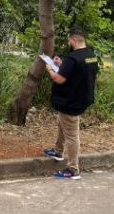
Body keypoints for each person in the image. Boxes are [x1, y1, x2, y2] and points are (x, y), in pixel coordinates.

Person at [42, 27, 99, 180]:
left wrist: (49, 69)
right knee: (63, 123)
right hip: (82, 99)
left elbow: (59, 79)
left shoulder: (73, 58)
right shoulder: (91, 56)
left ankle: (73, 169)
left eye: (69, 40)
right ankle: (58, 151)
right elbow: (78, 73)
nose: (68, 42)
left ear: (74, 40)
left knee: (72, 136)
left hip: (70, 102)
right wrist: (62, 64)